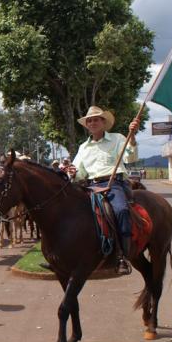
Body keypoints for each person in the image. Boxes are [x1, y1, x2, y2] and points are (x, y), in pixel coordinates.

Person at [66, 106, 139, 275]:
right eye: (89, 120)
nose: (92, 122)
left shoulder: (117, 138)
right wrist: (72, 172)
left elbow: (130, 157)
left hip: (114, 183)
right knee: (71, 214)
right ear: (86, 125)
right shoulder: (83, 147)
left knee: (121, 210)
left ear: (103, 122)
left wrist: (133, 136)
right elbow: (79, 172)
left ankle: (123, 256)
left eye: (96, 119)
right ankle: (70, 256)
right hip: (91, 186)